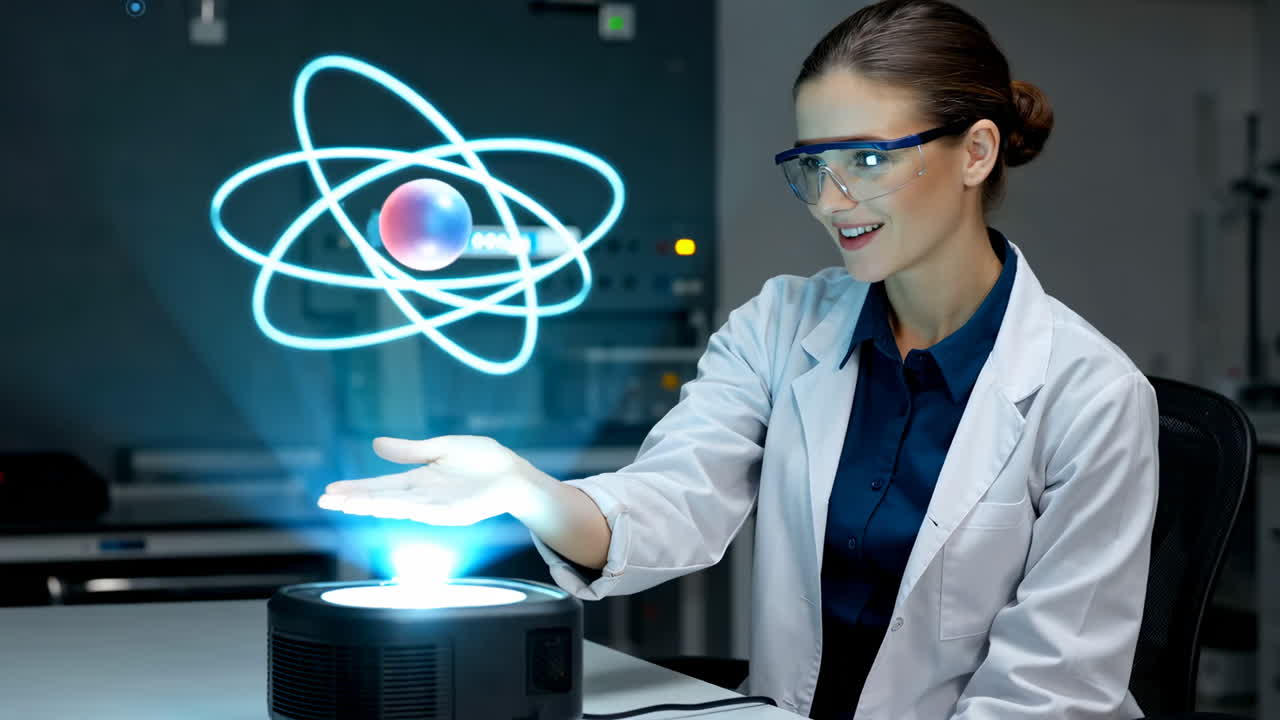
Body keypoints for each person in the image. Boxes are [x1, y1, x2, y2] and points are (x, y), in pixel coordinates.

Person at [317, 1, 1160, 717]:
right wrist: (524, 491)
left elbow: (1047, 696)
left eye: (868, 159)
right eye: (813, 165)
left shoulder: (1092, 397)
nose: (832, 202)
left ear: (976, 152)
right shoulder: (782, 324)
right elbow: (676, 500)